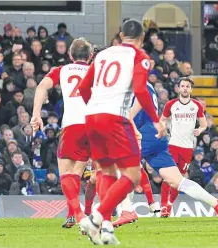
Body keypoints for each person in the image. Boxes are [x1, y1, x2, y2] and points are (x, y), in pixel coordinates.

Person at [76, 19, 166, 245]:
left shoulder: (103, 54)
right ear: (142, 38)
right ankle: (95, 218)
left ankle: (106, 228)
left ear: (121, 34)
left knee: (107, 173)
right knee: (133, 175)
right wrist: (156, 120)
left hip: (92, 117)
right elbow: (140, 90)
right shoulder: (139, 57)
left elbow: (84, 88)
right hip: (115, 118)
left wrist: (94, 108)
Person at [129, 77, 218, 223]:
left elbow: (134, 110)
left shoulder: (136, 85)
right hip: (160, 138)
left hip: (143, 134)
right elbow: (159, 117)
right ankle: (216, 203)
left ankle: (128, 210)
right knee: (177, 181)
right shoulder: (158, 93)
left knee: (124, 170)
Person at [30, 38, 93, 228]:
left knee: (66, 173)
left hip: (72, 124)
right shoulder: (95, 70)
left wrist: (36, 115)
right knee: (77, 173)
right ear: (90, 56)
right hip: (93, 125)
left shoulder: (62, 70)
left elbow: (41, 87)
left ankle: (78, 214)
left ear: (70, 55)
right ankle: (74, 213)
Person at [158, 77, 209, 217]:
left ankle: (169, 205)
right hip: (173, 145)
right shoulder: (171, 105)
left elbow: (204, 124)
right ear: (178, 88)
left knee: (179, 179)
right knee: (168, 177)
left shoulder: (197, 105)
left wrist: (200, 130)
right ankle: (163, 206)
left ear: (191, 89)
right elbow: (162, 120)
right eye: (183, 86)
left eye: (187, 86)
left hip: (187, 147)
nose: (185, 88)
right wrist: (163, 130)